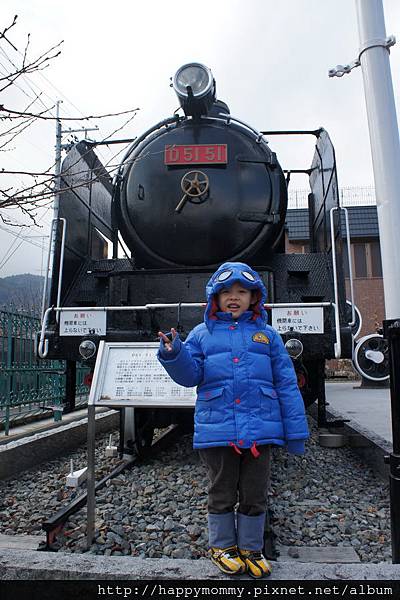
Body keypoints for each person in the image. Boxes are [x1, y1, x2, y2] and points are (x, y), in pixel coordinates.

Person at [157, 262, 309, 578]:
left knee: (255, 492)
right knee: (221, 490)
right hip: (218, 429)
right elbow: (191, 376)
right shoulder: (201, 334)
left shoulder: (268, 335)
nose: (234, 297)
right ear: (215, 297)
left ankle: (252, 548)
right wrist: (175, 355)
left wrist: (295, 432)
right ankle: (222, 547)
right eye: (226, 291)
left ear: (255, 296)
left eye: (242, 291)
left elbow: (286, 385)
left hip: (260, 431)